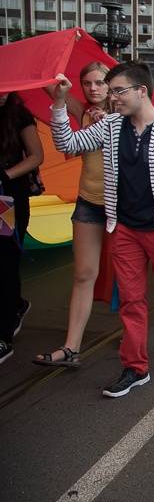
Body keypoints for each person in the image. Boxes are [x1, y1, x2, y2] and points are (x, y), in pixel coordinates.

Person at [50, 61, 154, 397]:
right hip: (123, 227)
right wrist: (58, 103)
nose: (111, 98)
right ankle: (135, 367)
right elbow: (67, 144)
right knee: (131, 300)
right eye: (110, 92)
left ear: (142, 91)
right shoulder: (110, 125)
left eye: (118, 91)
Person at [32, 62, 111, 367]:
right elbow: (46, 82)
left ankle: (141, 346)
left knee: (131, 278)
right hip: (89, 203)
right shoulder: (81, 110)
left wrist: (111, 119)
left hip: (125, 208)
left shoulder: (125, 110)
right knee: (82, 274)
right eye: (88, 83)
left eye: (100, 82)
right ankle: (71, 347)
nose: (94, 89)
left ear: (111, 83)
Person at [0, 92, 43, 364]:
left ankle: (3, 336)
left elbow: (37, 155)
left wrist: (4, 175)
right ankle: (16, 304)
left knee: (4, 261)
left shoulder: (19, 114)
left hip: (8, 199)